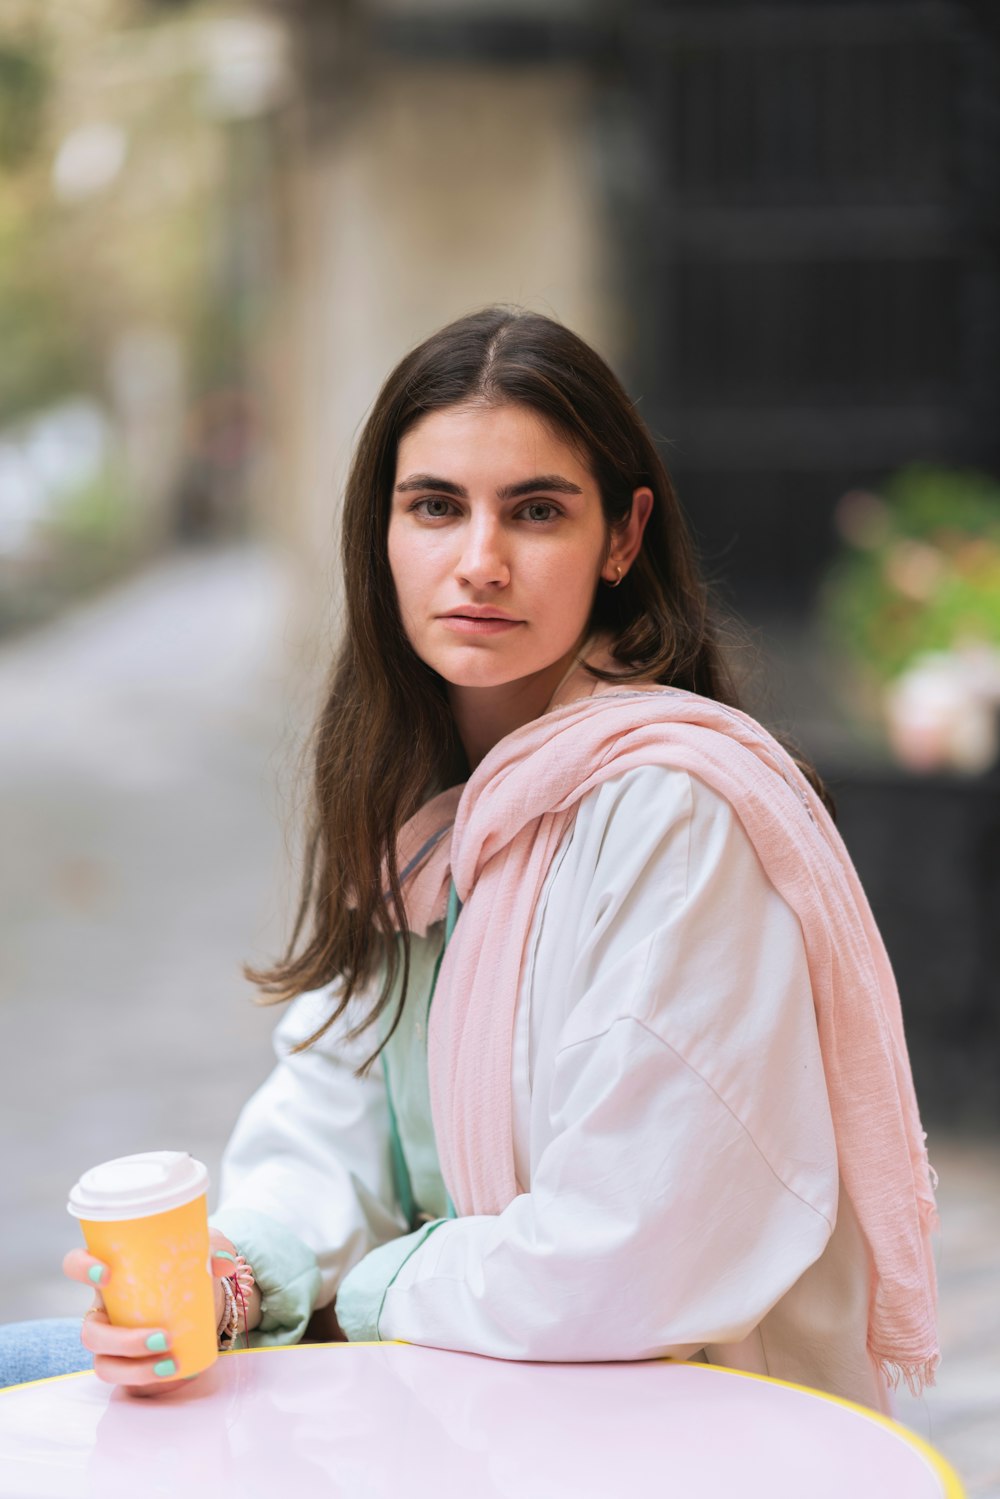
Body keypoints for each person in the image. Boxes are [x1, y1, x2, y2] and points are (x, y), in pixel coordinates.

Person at [17, 307, 939, 1405]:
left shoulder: (674, 811)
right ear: (383, 531)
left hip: (668, 1422)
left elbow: (628, 1253)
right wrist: (230, 1274)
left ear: (621, 536)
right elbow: (336, 1102)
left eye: (535, 511)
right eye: (436, 507)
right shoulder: (427, 800)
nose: (479, 560)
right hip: (473, 1376)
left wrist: (368, 1286)